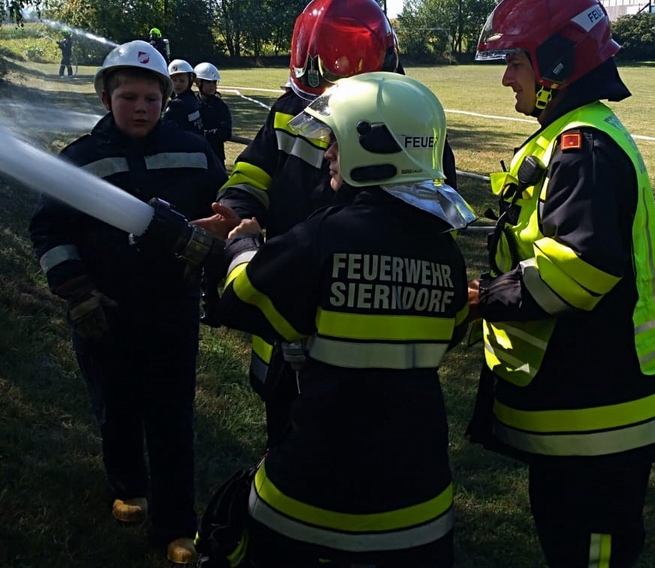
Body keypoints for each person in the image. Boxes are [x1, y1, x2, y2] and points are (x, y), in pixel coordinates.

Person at [195, 71, 474, 567]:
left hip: (309, 497)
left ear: (373, 147)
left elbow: (242, 299)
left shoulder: (325, 236)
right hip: (421, 506)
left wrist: (244, 244)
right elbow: (452, 330)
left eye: (336, 141)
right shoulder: (445, 252)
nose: (326, 153)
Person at [465, 0, 655, 568]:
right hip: (591, 404)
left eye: (515, 62)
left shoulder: (581, 146)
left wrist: (483, 297)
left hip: (601, 409)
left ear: (557, 65)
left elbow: (581, 268)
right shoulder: (578, 135)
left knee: (590, 551)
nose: (506, 78)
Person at [192, 0, 459, 449]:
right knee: (289, 432)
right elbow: (252, 174)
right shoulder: (289, 110)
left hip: (361, 315)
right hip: (286, 289)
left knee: (365, 437)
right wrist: (236, 213)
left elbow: (426, 224)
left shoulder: (409, 122)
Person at [28, 40, 227, 565]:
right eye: (128, 97)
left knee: (171, 414)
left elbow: (221, 207)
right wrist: (76, 290)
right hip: (103, 311)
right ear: (106, 98)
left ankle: (176, 524)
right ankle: (128, 484)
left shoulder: (194, 151)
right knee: (115, 405)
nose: (140, 108)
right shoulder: (78, 160)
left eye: (151, 99)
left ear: (166, 99)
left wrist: (217, 238)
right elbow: (49, 230)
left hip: (171, 309)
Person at [194, 61, 233, 165]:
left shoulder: (220, 106)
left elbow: (225, 131)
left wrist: (204, 135)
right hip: (195, 156)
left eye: (214, 82)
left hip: (215, 156)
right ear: (198, 82)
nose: (212, 86)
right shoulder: (191, 104)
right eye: (208, 82)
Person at [163, 58, 204, 136]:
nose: (177, 84)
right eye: (174, 80)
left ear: (189, 81)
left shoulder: (177, 104)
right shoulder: (192, 97)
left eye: (182, 81)